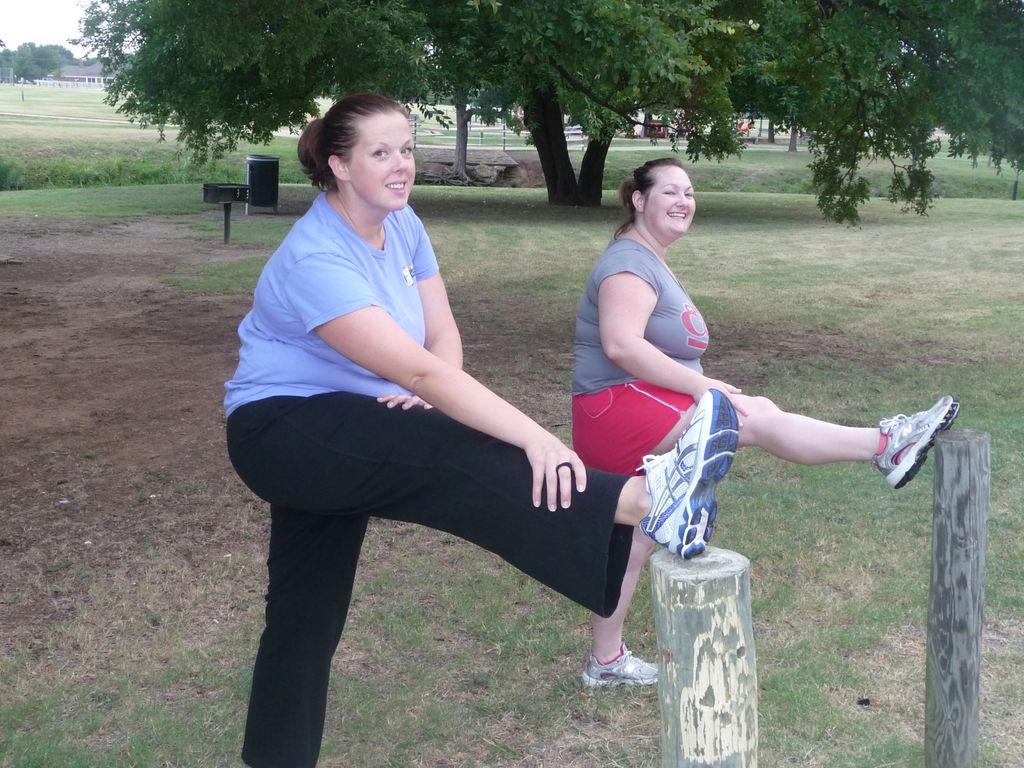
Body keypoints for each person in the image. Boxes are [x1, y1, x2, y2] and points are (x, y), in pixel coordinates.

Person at [224, 96, 741, 768]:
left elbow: (440, 339)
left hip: (345, 423)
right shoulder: (315, 258)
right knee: (450, 451)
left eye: (406, 148)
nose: (401, 165)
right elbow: (419, 372)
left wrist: (437, 398)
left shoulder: (401, 222)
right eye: (381, 153)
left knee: (304, 622)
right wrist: (536, 436)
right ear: (338, 165)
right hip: (283, 430)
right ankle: (636, 501)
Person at [571, 156, 959, 688]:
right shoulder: (628, 264)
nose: (684, 201)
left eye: (690, 192)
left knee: (633, 537)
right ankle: (886, 444)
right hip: (617, 409)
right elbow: (620, 344)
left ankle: (606, 661)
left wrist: (701, 385)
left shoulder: (649, 259)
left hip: (635, 405)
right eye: (669, 192)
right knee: (748, 415)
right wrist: (705, 387)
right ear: (639, 199)